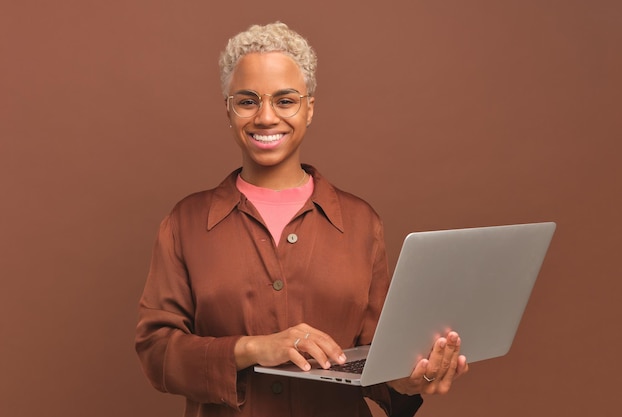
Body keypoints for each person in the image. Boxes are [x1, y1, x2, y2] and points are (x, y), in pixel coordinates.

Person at [135, 22, 469, 417]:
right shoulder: (185, 223)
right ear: (228, 109)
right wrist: (254, 347)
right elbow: (156, 351)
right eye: (246, 101)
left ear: (309, 108)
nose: (265, 117)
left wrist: (410, 379)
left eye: (285, 100)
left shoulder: (362, 223)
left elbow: (377, 358)